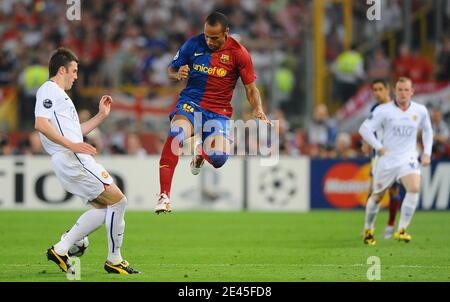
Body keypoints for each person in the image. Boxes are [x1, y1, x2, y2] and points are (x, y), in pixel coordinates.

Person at [34, 48, 139, 274]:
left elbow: (76, 132)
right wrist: (72, 146)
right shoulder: (49, 89)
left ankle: (62, 247)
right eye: (74, 71)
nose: (76, 76)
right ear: (62, 70)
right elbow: (40, 124)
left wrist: (101, 116)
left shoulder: (62, 96)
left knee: (103, 208)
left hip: (70, 157)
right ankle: (114, 259)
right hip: (71, 157)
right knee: (118, 201)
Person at [155, 12, 271, 214]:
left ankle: (200, 151)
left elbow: (251, 89)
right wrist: (177, 74)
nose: (209, 41)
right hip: (191, 104)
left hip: (219, 112)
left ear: (226, 33)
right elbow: (171, 70)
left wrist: (258, 108)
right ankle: (164, 196)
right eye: (207, 36)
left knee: (218, 159)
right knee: (175, 135)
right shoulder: (192, 44)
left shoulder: (239, 53)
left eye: (214, 37)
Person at [359, 77, 433, 245]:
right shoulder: (383, 110)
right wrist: (378, 146)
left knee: (414, 188)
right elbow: (364, 129)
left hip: (408, 158)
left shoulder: (420, 110)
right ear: (394, 91)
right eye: (400, 90)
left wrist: (427, 152)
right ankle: (368, 229)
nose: (403, 93)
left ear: (412, 91)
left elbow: (428, 130)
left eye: (406, 90)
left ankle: (401, 229)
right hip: (386, 160)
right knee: (377, 197)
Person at [361, 79, 402, 240]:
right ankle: (369, 227)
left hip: (396, 156)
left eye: (380, 89)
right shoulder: (375, 109)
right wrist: (366, 142)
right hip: (379, 156)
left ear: (388, 90)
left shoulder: (398, 107)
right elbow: (369, 128)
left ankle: (391, 224)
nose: (376, 93)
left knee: (393, 191)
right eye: (374, 90)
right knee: (373, 190)